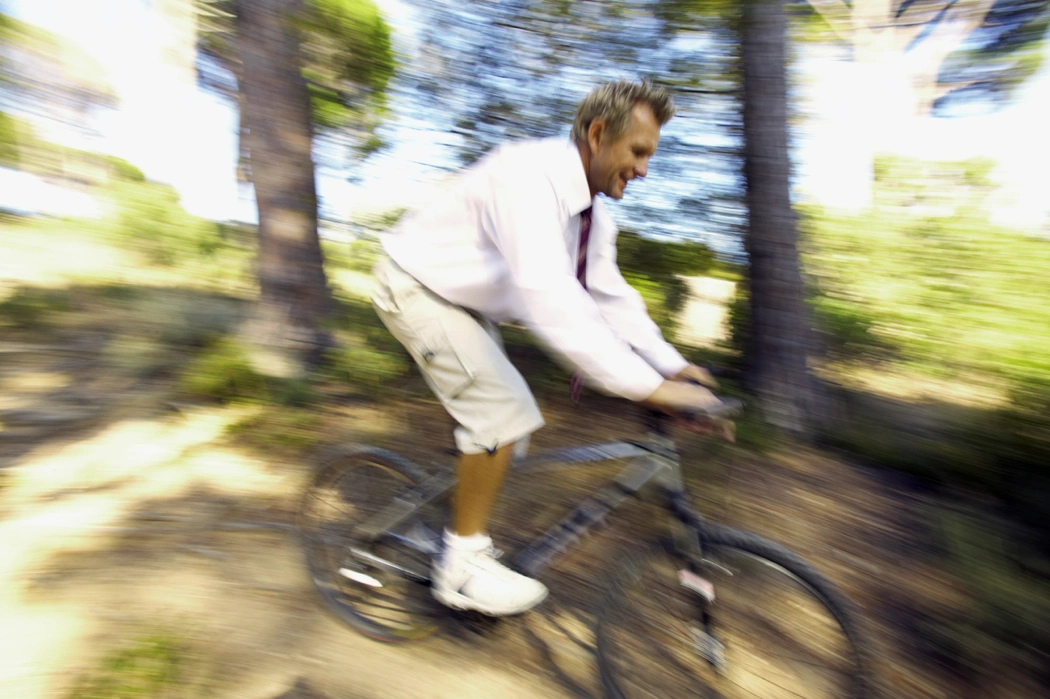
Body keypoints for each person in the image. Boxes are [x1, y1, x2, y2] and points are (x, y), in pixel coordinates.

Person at [371, 80, 729, 617]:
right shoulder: (527, 178)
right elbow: (550, 298)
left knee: (505, 434)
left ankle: (458, 518)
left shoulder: (591, 219)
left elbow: (611, 300)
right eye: (638, 152)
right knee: (502, 412)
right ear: (598, 133)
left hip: (461, 302)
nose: (644, 170)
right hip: (415, 284)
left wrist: (674, 367)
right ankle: (461, 568)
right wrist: (651, 390)